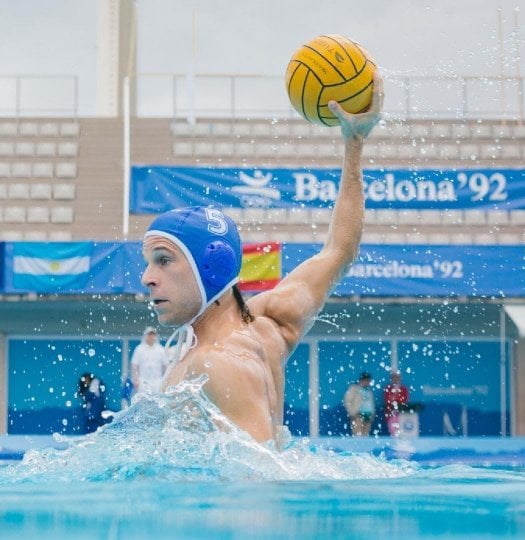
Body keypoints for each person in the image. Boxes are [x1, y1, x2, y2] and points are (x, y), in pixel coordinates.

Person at [140, 75, 384, 446]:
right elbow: (339, 252)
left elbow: (256, 480)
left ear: (211, 267)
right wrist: (354, 145)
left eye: (163, 260)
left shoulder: (216, 363)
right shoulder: (269, 321)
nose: (147, 277)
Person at [130, 326, 169, 396]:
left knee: (157, 400)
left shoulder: (160, 349)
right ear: (146, 336)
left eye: (153, 335)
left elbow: (166, 365)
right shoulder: (139, 349)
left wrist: (166, 380)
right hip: (143, 381)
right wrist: (136, 379)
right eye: (149, 335)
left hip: (157, 381)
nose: (151, 337)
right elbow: (134, 365)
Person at [343, 372, 376, 437]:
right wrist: (352, 412)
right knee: (357, 434)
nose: (368, 383)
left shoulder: (369, 391)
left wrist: (372, 415)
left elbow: (371, 404)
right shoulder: (354, 389)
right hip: (358, 415)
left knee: (365, 435)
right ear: (361, 380)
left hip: (368, 416)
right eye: (366, 381)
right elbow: (347, 400)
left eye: (369, 381)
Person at [383, 371, 411, 436]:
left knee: (403, 431)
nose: (395, 379)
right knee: (393, 431)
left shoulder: (403, 389)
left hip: (401, 413)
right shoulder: (388, 388)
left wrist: (395, 399)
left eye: (397, 378)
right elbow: (387, 400)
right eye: (394, 378)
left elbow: (404, 400)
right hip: (391, 413)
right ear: (391, 379)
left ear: (400, 378)